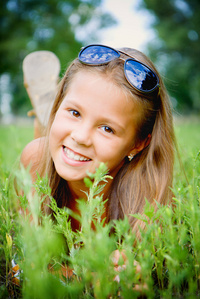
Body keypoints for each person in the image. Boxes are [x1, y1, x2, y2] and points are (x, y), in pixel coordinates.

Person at [20, 44, 175, 237]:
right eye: (75, 112)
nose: (81, 137)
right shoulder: (34, 160)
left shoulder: (150, 201)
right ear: (60, 103)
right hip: (46, 149)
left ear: (138, 144)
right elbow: (31, 256)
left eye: (107, 129)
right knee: (44, 144)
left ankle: (51, 115)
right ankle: (45, 117)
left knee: (62, 139)